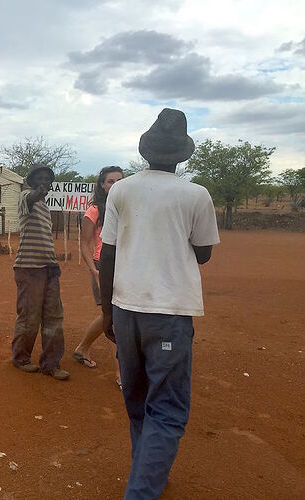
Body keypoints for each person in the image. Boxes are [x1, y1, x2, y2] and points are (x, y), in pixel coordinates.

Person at [99, 108, 219, 499]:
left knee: (136, 399)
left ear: (146, 150)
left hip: (125, 308)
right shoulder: (196, 195)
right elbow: (202, 254)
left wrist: (106, 312)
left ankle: (146, 471)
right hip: (169, 313)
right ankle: (142, 489)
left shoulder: (121, 190)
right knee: (166, 410)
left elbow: (109, 256)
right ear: (181, 155)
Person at [12, 162, 69, 381]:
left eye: (47, 179)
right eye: (40, 178)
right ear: (31, 181)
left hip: (49, 267)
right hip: (29, 268)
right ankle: (21, 358)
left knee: (54, 317)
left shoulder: (45, 207)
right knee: (29, 317)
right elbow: (30, 198)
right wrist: (36, 193)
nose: (44, 182)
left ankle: (51, 364)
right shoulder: (27, 197)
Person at [72, 166, 124, 389]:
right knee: (117, 317)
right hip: (102, 264)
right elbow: (83, 242)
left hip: (125, 264)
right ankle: (122, 374)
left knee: (109, 315)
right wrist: (93, 270)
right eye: (110, 181)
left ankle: (82, 348)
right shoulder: (94, 209)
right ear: (102, 185)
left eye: (119, 181)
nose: (115, 185)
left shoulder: (126, 206)